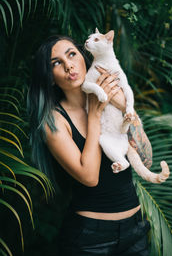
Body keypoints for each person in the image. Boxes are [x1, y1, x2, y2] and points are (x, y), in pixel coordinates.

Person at [27, 34, 151, 256]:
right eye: (57, 63)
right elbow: (89, 177)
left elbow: (145, 158)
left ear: (83, 57)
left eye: (72, 54)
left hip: (136, 231)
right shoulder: (54, 120)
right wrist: (93, 116)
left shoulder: (112, 101)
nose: (69, 66)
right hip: (90, 239)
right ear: (50, 77)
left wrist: (122, 105)